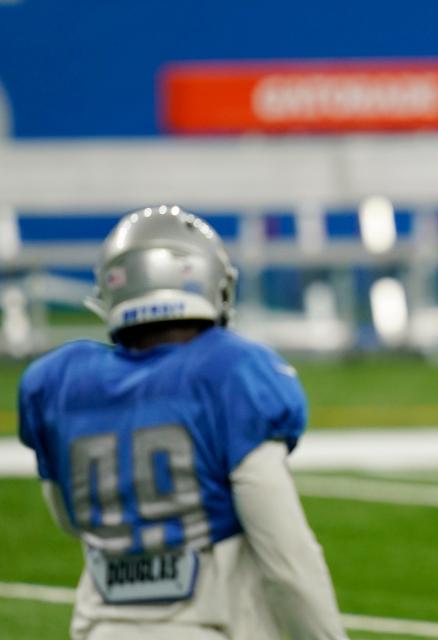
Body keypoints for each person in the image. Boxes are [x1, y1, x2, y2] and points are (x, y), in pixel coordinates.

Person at [18, 206, 350, 640]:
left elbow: (69, 519)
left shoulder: (59, 382)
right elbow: (288, 559)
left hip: (101, 628)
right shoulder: (230, 372)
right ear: (207, 281)